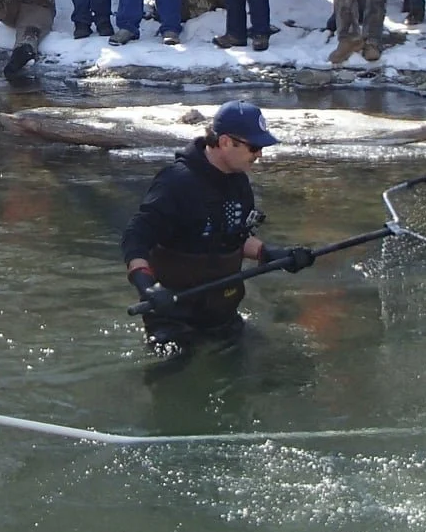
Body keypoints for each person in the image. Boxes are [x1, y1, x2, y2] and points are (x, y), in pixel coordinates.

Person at [121, 101, 311, 348]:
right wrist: (148, 288)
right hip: (174, 318)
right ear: (224, 142)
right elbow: (134, 239)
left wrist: (272, 254)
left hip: (222, 314)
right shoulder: (176, 183)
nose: (259, 155)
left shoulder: (239, 182)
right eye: (253, 147)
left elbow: (235, 236)